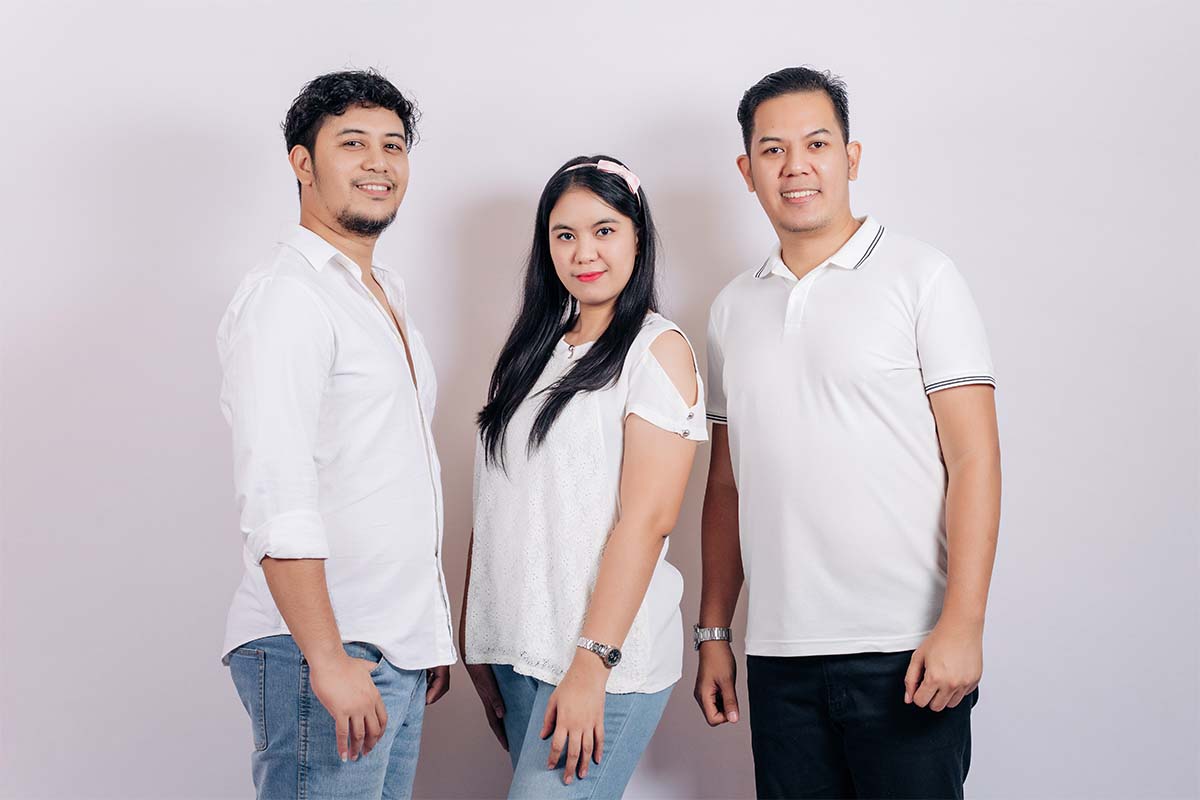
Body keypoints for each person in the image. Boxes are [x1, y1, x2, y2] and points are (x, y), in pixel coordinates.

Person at [693, 66, 1002, 800]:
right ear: (747, 170)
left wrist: (963, 624)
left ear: (851, 157)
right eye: (772, 150)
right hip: (779, 657)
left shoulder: (922, 276)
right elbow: (727, 483)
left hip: (907, 650)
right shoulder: (731, 309)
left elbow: (975, 460)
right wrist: (714, 633)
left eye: (817, 144)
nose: (795, 166)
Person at [216, 69, 454, 800]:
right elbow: (277, 490)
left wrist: (425, 631)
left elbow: (389, 471)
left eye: (393, 145)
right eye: (353, 143)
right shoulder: (288, 295)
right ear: (303, 162)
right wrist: (326, 656)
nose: (378, 162)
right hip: (320, 645)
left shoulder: (383, 293)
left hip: (390, 643)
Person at [461, 156, 705, 798]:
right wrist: (476, 636)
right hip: (517, 652)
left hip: (599, 659)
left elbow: (647, 522)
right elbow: (496, 499)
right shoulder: (530, 351)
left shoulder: (657, 349)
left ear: (637, 237)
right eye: (564, 234)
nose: (583, 252)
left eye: (604, 230)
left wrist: (591, 668)